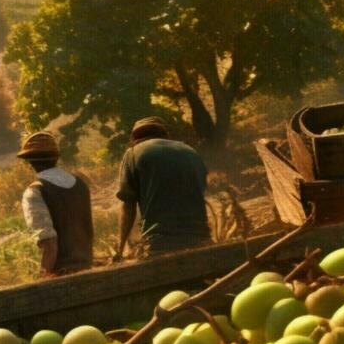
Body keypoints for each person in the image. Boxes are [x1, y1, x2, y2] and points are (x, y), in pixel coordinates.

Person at [114, 117, 210, 260]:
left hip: (160, 240)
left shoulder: (133, 153)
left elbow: (128, 205)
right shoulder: (189, 150)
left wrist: (120, 249)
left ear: (134, 138)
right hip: (200, 235)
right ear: (165, 135)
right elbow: (200, 190)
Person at [16, 131, 95, 277]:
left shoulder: (35, 191)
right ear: (56, 157)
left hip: (62, 276)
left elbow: (50, 244)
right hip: (89, 270)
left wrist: (43, 278)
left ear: (29, 162)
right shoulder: (80, 184)